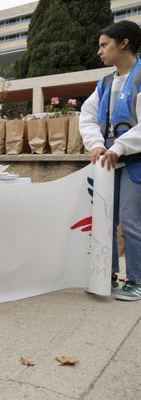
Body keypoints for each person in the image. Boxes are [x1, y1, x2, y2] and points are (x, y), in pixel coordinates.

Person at [80, 20, 141, 301]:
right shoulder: (105, 83)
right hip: (107, 162)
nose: (100, 51)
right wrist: (95, 144)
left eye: (105, 45)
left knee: (130, 220)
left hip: (134, 162)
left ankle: (137, 279)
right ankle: (109, 273)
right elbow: (88, 116)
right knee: (105, 217)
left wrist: (119, 147)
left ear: (124, 43)